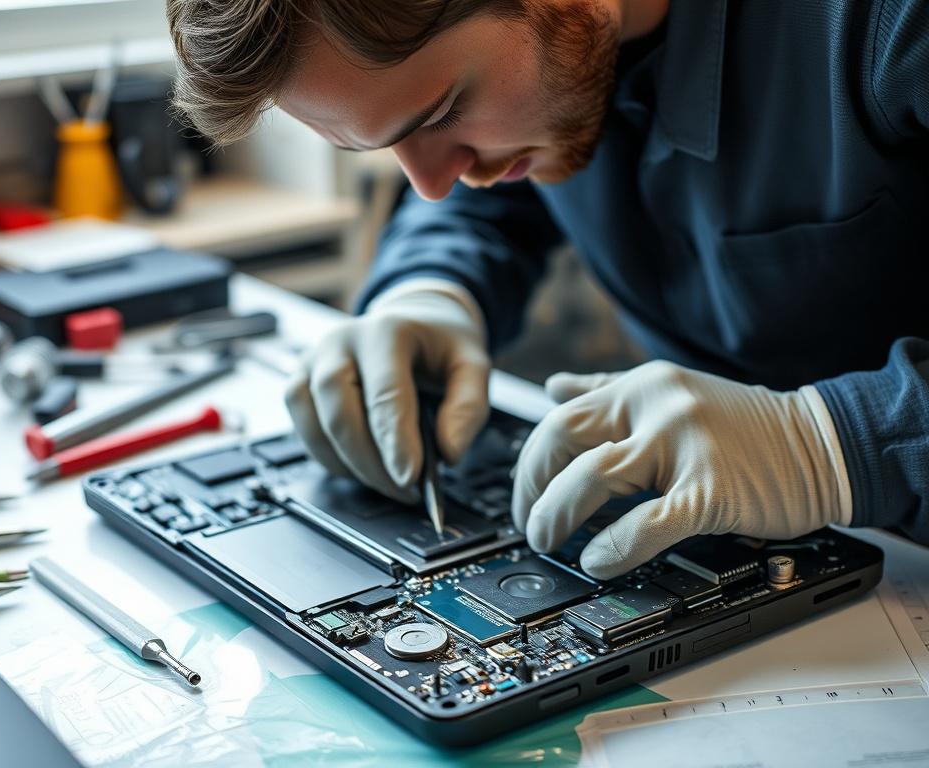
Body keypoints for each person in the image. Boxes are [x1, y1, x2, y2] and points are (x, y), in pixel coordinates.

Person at [167, 0, 929, 579]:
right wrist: (430, 289)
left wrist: (834, 446)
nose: (428, 183)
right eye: (385, 143)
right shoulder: (549, 70)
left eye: (438, 114)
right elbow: (487, 196)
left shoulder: (890, 28)